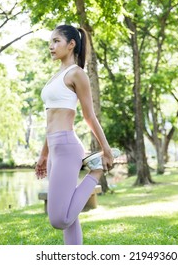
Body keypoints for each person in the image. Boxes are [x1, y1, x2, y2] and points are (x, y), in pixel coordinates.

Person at [34, 24, 119, 245]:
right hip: (54, 149)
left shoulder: (77, 74)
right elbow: (50, 120)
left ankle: (97, 171)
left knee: (59, 219)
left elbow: (89, 116)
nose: (51, 46)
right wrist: (44, 155)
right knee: (70, 219)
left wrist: (106, 150)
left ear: (71, 44)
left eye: (56, 41)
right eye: (50, 42)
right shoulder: (56, 75)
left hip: (67, 147)